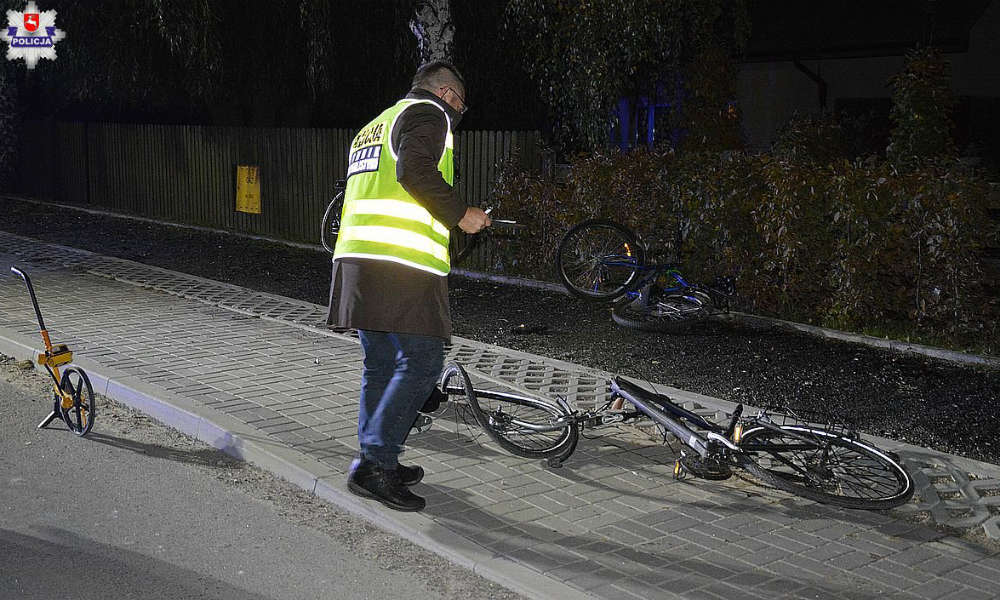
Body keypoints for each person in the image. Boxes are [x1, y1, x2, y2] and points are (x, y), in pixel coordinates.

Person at [327, 61, 490, 512]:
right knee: (421, 361)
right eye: (459, 103)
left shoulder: (375, 126)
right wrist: (463, 215)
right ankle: (375, 465)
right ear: (447, 94)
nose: (458, 112)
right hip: (400, 265)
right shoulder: (429, 114)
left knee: (381, 364)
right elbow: (415, 172)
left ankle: (376, 457)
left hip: (359, 262)